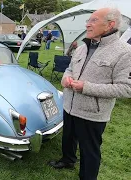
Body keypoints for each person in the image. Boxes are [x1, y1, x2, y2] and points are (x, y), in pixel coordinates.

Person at [48, 7, 131, 180]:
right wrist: (66, 78)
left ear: (110, 25)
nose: (87, 24)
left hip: (92, 113)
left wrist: (85, 87)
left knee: (89, 150)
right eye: (88, 20)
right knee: (68, 137)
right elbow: (70, 68)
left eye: (93, 20)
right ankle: (67, 159)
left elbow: (126, 88)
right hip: (70, 105)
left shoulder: (125, 52)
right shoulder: (83, 46)